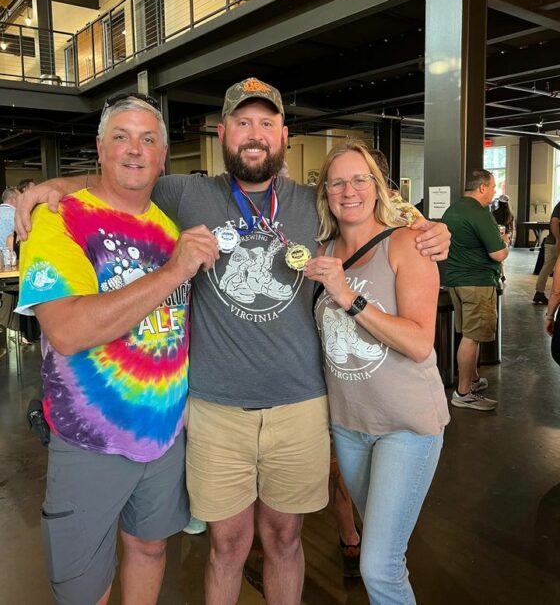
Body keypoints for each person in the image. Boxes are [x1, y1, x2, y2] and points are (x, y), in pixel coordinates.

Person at [16, 77, 450, 605]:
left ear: (283, 136)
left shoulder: (311, 203)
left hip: (299, 403)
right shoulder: (185, 193)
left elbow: (370, 211)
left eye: (266, 123)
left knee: (285, 538)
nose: (254, 134)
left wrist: (429, 229)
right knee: (226, 545)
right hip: (215, 406)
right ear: (223, 134)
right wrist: (47, 188)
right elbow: (125, 176)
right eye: (242, 122)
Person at [15, 94, 218, 605]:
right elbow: (68, 330)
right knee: (85, 588)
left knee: (150, 550)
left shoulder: (169, 227)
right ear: (100, 150)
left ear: (164, 155)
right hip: (90, 442)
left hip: (165, 435)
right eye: (121, 137)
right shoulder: (60, 222)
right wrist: (173, 270)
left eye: (148, 139)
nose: (135, 150)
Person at [305, 139, 449, 603]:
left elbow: (418, 341)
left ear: (377, 186)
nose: (349, 190)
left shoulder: (408, 244)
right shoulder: (321, 249)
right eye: (338, 182)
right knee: (386, 554)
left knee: (378, 566)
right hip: (350, 428)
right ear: (325, 192)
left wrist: (349, 297)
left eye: (359, 179)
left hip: (406, 427)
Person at [442, 169, 509, 411]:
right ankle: (463, 393)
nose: (494, 192)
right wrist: (506, 244)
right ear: (481, 188)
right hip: (478, 284)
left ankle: (472, 379)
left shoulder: (453, 210)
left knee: (470, 334)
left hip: (456, 282)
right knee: (472, 337)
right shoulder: (480, 214)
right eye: (492, 187)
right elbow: (498, 253)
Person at [532, 199, 560, 305]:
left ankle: (539, 292)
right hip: (554, 243)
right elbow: (554, 222)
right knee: (547, 268)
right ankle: (540, 293)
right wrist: (558, 239)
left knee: (547, 268)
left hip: (552, 243)